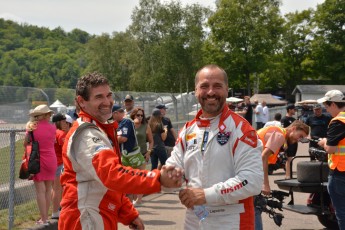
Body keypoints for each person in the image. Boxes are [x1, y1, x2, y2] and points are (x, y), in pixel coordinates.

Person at [59, 72, 183, 230]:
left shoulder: (99, 128)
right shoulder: (87, 134)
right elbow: (112, 174)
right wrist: (157, 179)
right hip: (85, 219)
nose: (107, 102)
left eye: (108, 95)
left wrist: (127, 213)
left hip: (97, 214)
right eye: (98, 97)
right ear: (81, 102)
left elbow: (108, 185)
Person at [166, 64, 263, 229]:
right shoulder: (187, 130)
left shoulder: (242, 129)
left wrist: (206, 195)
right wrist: (167, 176)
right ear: (196, 91)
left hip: (230, 221)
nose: (210, 92)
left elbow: (252, 180)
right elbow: (172, 167)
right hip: (193, 220)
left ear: (226, 90)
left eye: (217, 86)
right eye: (204, 86)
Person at [255, 120, 309, 230]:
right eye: (300, 136)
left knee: (253, 208)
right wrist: (265, 184)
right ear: (293, 128)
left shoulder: (279, 133)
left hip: (248, 167)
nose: (299, 139)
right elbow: (264, 157)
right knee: (256, 208)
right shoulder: (279, 135)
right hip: (249, 169)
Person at [317, 90, 345, 229]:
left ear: (333, 104)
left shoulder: (338, 121)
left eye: (327, 106)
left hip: (340, 173)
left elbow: (330, 149)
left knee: (342, 214)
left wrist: (324, 142)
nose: (326, 110)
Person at [28, 104, 57, 226]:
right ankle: (46, 218)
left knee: (40, 191)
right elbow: (53, 141)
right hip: (51, 159)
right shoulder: (53, 127)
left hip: (37, 160)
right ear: (47, 115)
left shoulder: (32, 128)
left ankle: (43, 219)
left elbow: (27, 143)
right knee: (48, 189)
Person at [130, 107, 154, 206]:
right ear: (133, 115)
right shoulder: (129, 125)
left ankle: (139, 199)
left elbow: (151, 141)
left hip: (142, 154)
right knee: (131, 178)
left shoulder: (146, 126)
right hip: (130, 156)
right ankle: (133, 198)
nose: (140, 117)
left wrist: (149, 152)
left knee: (140, 177)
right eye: (138, 115)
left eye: (141, 115)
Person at [51, 113, 72, 219]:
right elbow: (67, 149)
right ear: (58, 122)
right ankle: (55, 211)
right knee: (57, 188)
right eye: (63, 121)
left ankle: (56, 209)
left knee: (54, 188)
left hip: (51, 162)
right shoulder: (61, 133)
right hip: (59, 163)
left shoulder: (52, 132)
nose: (65, 123)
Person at [112, 104, 145, 169]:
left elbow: (122, 138)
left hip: (132, 157)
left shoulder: (125, 121)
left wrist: (110, 139)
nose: (111, 118)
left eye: (111, 115)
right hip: (126, 157)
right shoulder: (119, 123)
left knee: (138, 177)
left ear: (115, 113)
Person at [281, 104, 298, 179]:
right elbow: (283, 131)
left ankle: (290, 174)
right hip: (288, 141)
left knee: (292, 158)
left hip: (294, 141)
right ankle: (287, 175)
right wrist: (284, 143)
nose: (295, 111)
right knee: (289, 158)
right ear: (290, 110)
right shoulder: (284, 119)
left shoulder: (294, 119)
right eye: (294, 109)